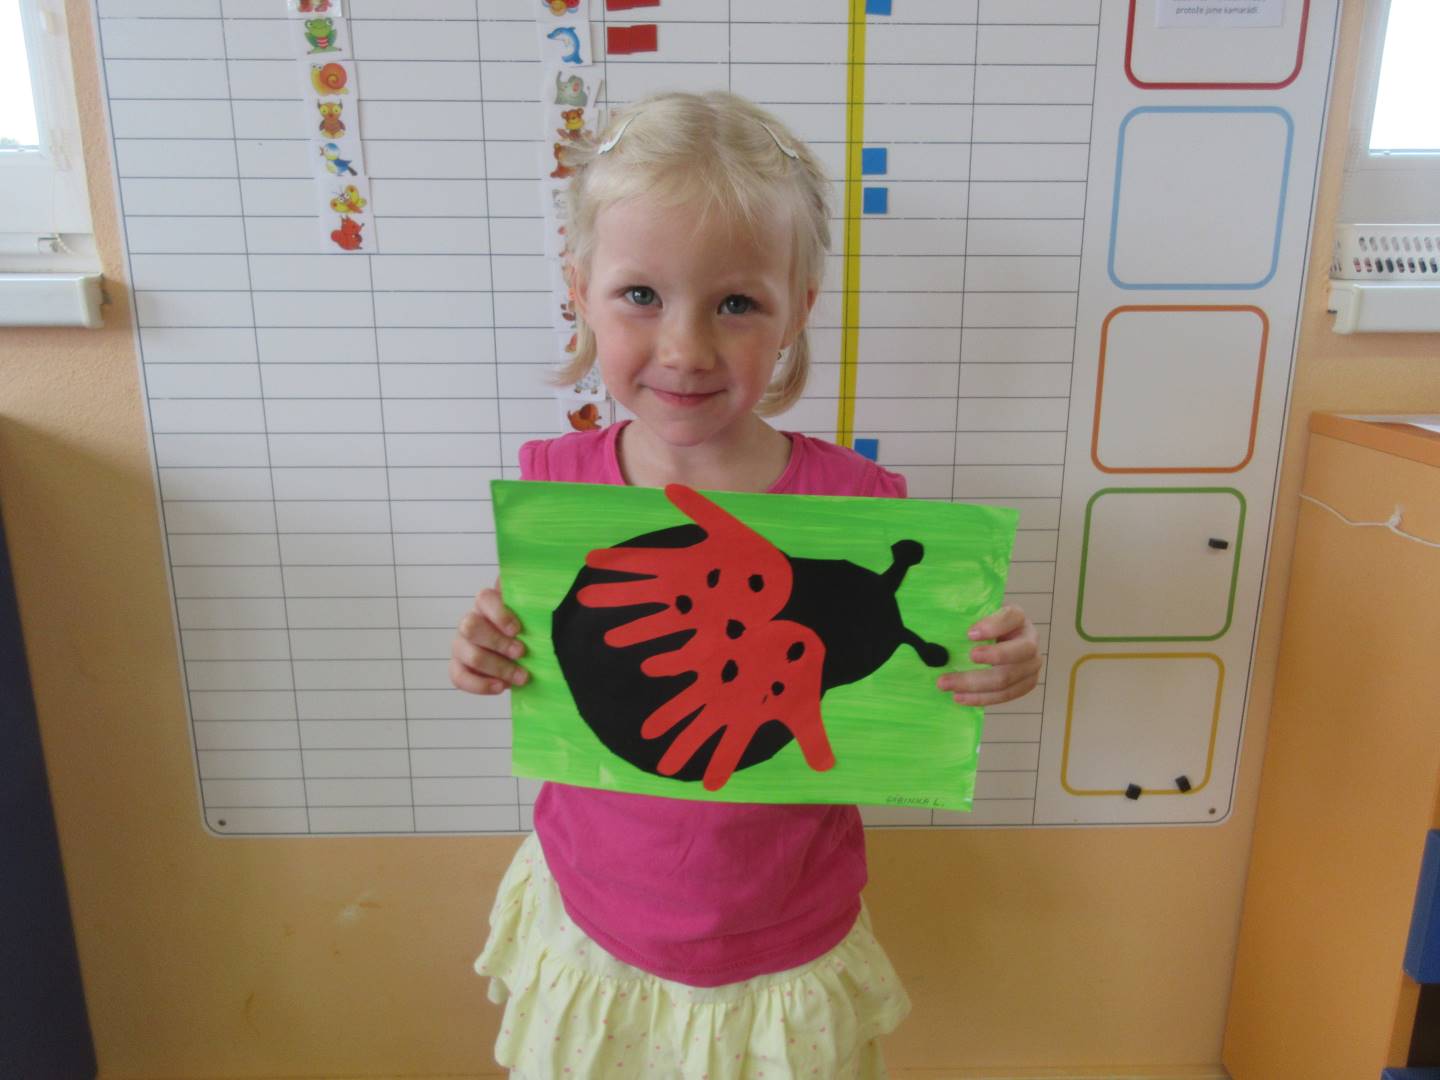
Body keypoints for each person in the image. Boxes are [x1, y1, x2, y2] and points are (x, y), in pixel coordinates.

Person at [450, 91, 1042, 1079]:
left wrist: (999, 663)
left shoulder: (863, 507)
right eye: (642, 295)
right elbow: (545, 649)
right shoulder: (559, 489)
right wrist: (485, 648)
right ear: (580, 291)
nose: (685, 349)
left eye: (735, 303)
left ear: (796, 309)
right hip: (593, 919)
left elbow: (930, 672)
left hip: (781, 944)